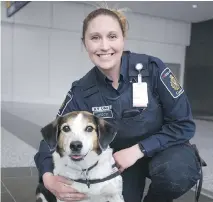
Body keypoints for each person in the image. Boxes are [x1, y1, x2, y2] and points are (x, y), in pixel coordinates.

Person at [34, 7, 203, 202]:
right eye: (95, 38)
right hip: (120, 161)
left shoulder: (152, 69)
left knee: (176, 174)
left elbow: (184, 124)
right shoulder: (82, 90)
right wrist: (48, 178)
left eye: (112, 36)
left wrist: (138, 150)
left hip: (165, 150)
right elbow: (53, 137)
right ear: (85, 43)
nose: (104, 46)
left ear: (123, 38)